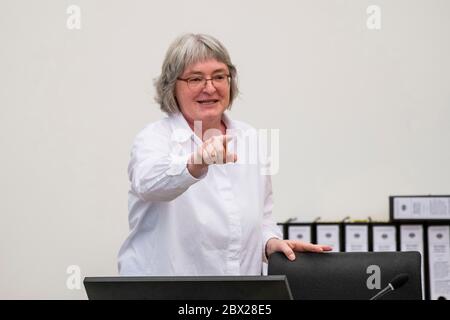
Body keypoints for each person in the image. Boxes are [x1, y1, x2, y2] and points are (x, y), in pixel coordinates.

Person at [118, 33, 331, 276]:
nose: (210, 88)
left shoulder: (250, 138)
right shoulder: (154, 137)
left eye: (219, 76)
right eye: (195, 78)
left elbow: (261, 219)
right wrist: (197, 163)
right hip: (166, 292)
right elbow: (148, 184)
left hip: (239, 293)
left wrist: (271, 243)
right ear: (171, 86)